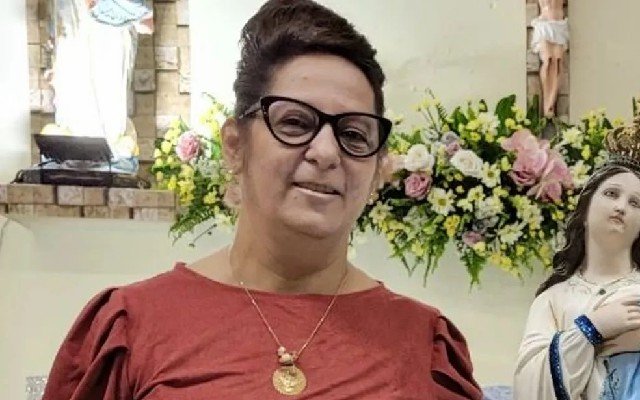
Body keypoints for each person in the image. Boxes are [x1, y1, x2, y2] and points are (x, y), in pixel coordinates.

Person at [42, 1, 482, 399]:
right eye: (295, 123)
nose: (326, 152)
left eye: (353, 134)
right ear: (236, 146)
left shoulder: (422, 345)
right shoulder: (133, 328)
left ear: (377, 170)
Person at [514, 116, 640, 399]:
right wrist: (591, 329)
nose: (621, 207)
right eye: (611, 194)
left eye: (635, 202)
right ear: (584, 211)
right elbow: (528, 387)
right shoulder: (553, 299)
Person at [530, 0, 569, 117]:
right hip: (544, 24)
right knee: (548, 60)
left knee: (557, 62)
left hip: (559, 24)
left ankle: (551, 102)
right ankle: (546, 104)